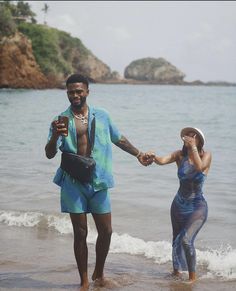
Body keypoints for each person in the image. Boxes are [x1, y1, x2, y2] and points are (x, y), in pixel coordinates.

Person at [45, 73, 152, 290]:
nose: (75, 95)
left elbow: (118, 138)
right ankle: (84, 281)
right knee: (81, 233)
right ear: (67, 93)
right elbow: (49, 153)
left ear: (87, 91)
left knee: (106, 231)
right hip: (73, 182)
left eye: (78, 91)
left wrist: (138, 154)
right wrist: (56, 136)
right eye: (71, 92)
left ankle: (99, 273)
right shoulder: (60, 120)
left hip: (99, 181)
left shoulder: (102, 115)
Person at [146, 127, 212, 282]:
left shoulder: (206, 155)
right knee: (176, 239)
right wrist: (153, 156)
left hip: (197, 206)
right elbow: (162, 161)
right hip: (178, 205)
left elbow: (199, 167)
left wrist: (193, 147)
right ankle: (176, 272)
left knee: (186, 240)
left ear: (199, 140)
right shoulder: (179, 155)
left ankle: (192, 277)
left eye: (192, 136)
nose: (188, 137)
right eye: (187, 135)